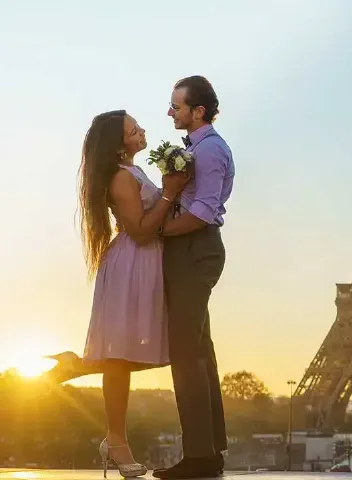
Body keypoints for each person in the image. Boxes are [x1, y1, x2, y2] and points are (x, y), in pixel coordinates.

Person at [43, 109, 190, 478]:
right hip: (133, 265)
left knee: (129, 355)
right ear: (118, 144)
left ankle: (78, 367)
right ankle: (116, 440)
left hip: (145, 265)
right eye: (132, 128)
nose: (141, 129)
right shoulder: (121, 179)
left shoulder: (134, 172)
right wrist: (170, 193)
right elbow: (140, 231)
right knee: (121, 359)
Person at [152, 75, 235, 480]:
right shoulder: (196, 149)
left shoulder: (211, 150)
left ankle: (199, 456)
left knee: (187, 354)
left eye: (176, 106)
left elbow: (202, 212)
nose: (170, 112)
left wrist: (158, 232)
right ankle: (209, 452)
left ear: (197, 111)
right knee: (199, 353)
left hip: (195, 248)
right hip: (192, 248)